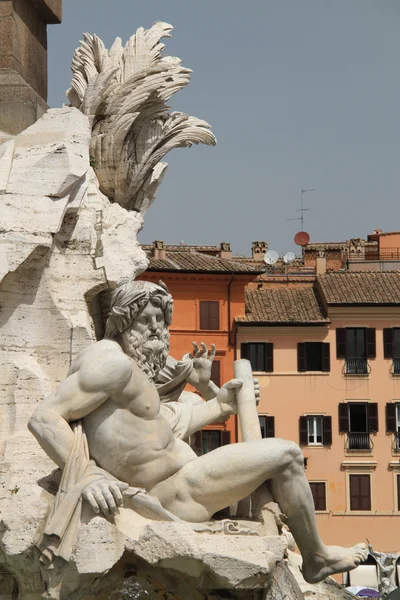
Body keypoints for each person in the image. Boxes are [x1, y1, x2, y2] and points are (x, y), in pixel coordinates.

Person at [29, 280, 368, 583]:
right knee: (288, 453)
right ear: (122, 321)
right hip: (177, 493)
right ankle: (317, 558)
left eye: (160, 320)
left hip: (182, 483)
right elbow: (44, 418)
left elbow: (161, 429)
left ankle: (305, 550)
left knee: (241, 437)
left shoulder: (132, 373)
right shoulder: (111, 362)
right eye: (144, 319)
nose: (155, 329)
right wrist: (89, 476)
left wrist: (220, 403)